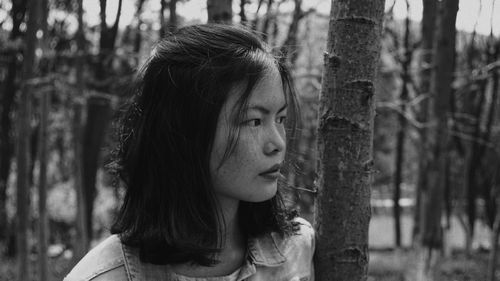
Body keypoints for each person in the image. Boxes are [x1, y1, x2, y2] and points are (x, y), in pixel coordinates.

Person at [64, 24, 315, 281]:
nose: (277, 143)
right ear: (186, 134)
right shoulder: (103, 276)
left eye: (281, 119)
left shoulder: (299, 250)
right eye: (254, 122)